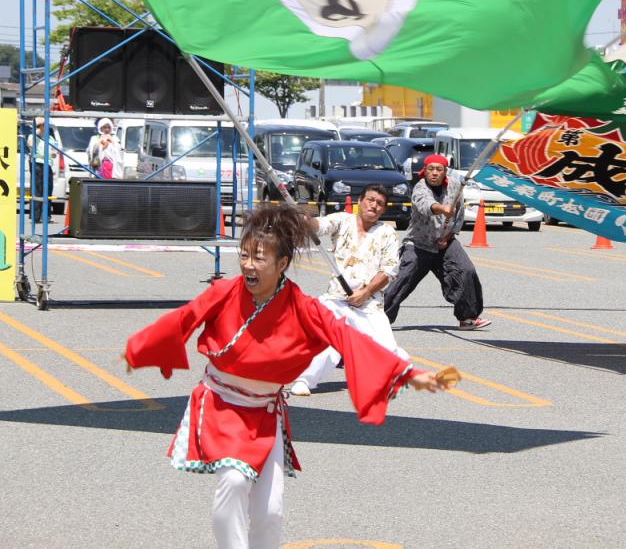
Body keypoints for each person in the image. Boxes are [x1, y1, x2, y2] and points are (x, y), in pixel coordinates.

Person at [123, 203, 448, 549]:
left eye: (259, 258)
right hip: (222, 405)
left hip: (265, 413)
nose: (248, 265)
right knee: (233, 481)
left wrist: (406, 373)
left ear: (282, 264)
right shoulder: (224, 292)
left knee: (271, 511)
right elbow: (182, 319)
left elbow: (349, 339)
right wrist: (142, 348)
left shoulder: (302, 306)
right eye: (244, 255)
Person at [291, 184, 406, 396]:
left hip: (369, 303)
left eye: (380, 203)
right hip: (336, 298)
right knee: (327, 340)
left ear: (384, 209)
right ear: (359, 202)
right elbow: (320, 226)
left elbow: (389, 271)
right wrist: (306, 221)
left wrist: (366, 292)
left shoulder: (387, 233)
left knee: (386, 350)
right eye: (370, 200)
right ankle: (304, 380)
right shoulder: (343, 220)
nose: (374, 206)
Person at [384, 154, 491, 330]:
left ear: (445, 172)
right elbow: (426, 206)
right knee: (402, 280)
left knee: (466, 270)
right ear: (424, 171)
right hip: (419, 244)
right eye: (430, 169)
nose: (434, 173)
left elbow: (459, 215)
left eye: (438, 169)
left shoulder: (456, 186)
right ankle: (379, 318)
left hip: (445, 242)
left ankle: (467, 317)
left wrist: (448, 237)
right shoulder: (420, 187)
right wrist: (443, 209)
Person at [25, 117, 55, 225]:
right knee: (37, 190)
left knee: (48, 190)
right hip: (37, 164)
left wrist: (53, 153)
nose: (44, 127)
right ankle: (35, 216)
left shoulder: (50, 138)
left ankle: (46, 215)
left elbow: (54, 152)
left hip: (48, 165)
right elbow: (31, 146)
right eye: (41, 125)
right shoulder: (32, 137)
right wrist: (37, 130)